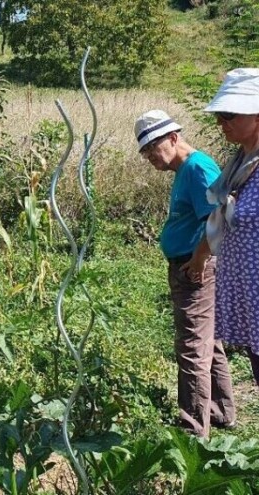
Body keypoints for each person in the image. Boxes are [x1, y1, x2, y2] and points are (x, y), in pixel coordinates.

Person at [134, 109, 236, 437]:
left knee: (192, 346)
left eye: (153, 147)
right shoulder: (185, 170)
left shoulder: (196, 167)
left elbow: (221, 216)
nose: (149, 155)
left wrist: (198, 260)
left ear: (174, 138)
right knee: (209, 342)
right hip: (191, 266)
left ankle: (193, 430)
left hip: (195, 270)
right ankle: (220, 411)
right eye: (144, 151)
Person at [202, 68, 259, 388]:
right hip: (250, 304)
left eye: (228, 114)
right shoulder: (241, 163)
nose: (220, 122)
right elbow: (222, 220)